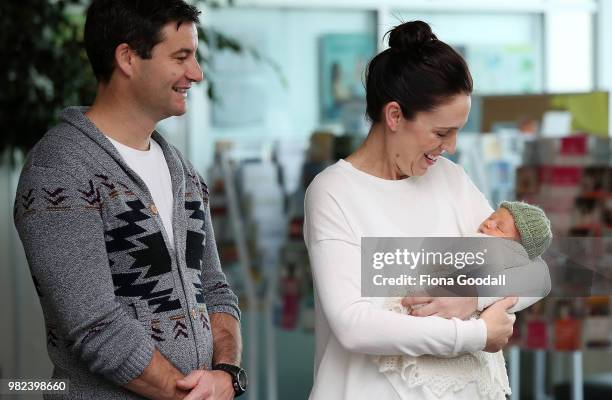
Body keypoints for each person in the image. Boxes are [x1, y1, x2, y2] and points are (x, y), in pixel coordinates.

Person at [303, 21, 551, 400]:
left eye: (456, 132)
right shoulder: (334, 192)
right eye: (440, 133)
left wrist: (473, 298)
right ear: (395, 116)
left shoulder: (450, 179)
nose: (449, 146)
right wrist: (477, 333)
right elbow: (353, 325)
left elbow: (535, 271)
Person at [13, 1, 246, 399]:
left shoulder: (184, 172)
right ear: (127, 58)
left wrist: (227, 374)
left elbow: (215, 288)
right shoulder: (60, 170)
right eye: (181, 57)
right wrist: (189, 396)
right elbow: (97, 326)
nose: (196, 73)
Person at [375, 201, 553, 399]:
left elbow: (541, 275)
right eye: (491, 218)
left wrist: (474, 295)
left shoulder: (490, 247)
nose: (488, 224)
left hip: (455, 339)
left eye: (499, 226)